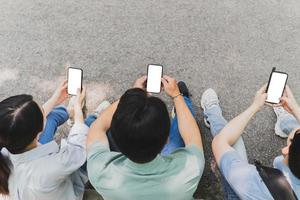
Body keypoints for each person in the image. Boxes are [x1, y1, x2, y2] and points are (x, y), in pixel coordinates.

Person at [87, 75, 205, 200]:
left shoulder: (99, 172)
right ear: (166, 139)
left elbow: (97, 126)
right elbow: (192, 138)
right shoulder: (191, 169)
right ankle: (184, 99)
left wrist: (130, 99)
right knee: (181, 130)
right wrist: (177, 96)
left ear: (115, 139)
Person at [0, 81, 107, 200]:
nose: (44, 109)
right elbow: (78, 149)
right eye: (41, 110)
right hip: (70, 186)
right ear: (39, 130)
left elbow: (24, 123)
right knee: (89, 130)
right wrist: (78, 111)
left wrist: (55, 98)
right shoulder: (53, 165)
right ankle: (95, 117)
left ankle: (71, 113)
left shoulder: (6, 146)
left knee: (52, 117)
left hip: (35, 174)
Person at [201, 85, 300, 199]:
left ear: (286, 149)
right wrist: (295, 110)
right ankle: (285, 121)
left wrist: (255, 106)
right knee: (294, 126)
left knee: (230, 138)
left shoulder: (253, 182)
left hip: (250, 191)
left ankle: (213, 114)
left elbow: (220, 143)